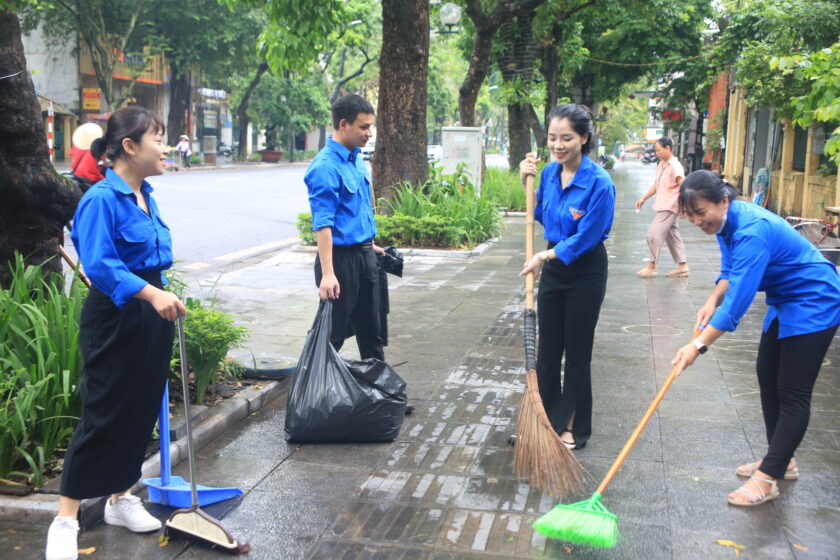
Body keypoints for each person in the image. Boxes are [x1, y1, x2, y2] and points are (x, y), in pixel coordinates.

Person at [46, 107, 186, 560]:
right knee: (104, 412)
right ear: (129, 146)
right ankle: (65, 519)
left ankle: (119, 498)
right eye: (158, 140)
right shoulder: (101, 199)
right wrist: (149, 295)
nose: (166, 148)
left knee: (140, 407)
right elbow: (101, 265)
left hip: (152, 310)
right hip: (116, 314)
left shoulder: (146, 194)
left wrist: (159, 297)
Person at [671, 170, 840, 507]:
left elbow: (737, 306)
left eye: (701, 213)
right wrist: (710, 300)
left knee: (793, 392)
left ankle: (767, 478)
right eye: (690, 217)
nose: (697, 222)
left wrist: (697, 346)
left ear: (724, 201)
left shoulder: (752, 231)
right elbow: (731, 272)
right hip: (785, 300)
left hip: (814, 300)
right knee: (767, 375)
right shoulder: (724, 223)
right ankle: (781, 460)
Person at [519, 104, 616, 450]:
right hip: (553, 265)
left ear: (584, 138)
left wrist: (543, 256)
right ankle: (546, 420)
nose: (557, 145)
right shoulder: (548, 172)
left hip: (585, 269)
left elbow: (587, 237)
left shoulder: (599, 183)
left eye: (566, 138)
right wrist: (523, 180)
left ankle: (573, 427)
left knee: (577, 351)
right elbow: (542, 214)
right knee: (547, 350)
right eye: (552, 138)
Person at [304, 93, 386, 360]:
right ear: (343, 124)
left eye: (370, 126)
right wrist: (328, 274)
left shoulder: (355, 159)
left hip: (364, 257)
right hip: (340, 262)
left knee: (372, 333)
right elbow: (324, 223)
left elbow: (354, 211)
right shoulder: (325, 167)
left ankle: (381, 397)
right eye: (364, 127)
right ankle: (312, 396)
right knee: (332, 335)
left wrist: (368, 245)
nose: (369, 133)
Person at [635, 137, 690, 277]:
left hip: (671, 205)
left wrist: (685, 205)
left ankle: (651, 265)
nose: (657, 153)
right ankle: (683, 266)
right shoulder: (661, 164)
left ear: (668, 148)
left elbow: (683, 185)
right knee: (673, 236)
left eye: (659, 150)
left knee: (653, 234)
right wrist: (643, 198)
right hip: (663, 204)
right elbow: (657, 184)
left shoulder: (675, 166)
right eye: (656, 151)